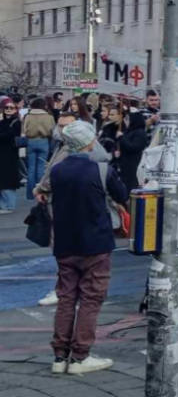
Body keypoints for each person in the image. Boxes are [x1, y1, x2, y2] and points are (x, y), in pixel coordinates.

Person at [37, 121, 127, 375]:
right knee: (90, 298)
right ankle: (80, 356)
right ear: (89, 143)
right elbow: (122, 196)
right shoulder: (101, 170)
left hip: (65, 242)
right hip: (96, 242)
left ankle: (59, 355)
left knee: (66, 298)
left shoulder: (57, 171)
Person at [23, 97, 55, 201]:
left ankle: (30, 195)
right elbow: (53, 131)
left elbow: (24, 130)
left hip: (30, 141)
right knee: (41, 169)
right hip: (43, 141)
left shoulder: (28, 116)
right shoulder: (48, 117)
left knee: (31, 169)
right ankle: (40, 192)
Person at [115, 111, 149, 192]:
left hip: (133, 164)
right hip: (125, 164)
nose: (125, 121)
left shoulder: (140, 133)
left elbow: (133, 147)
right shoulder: (128, 131)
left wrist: (121, 137)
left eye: (127, 119)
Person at [0, 98, 21, 213]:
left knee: (8, 179)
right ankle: (3, 205)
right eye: (6, 107)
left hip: (10, 154)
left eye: (11, 107)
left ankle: (9, 205)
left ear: (15, 110)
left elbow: (10, 135)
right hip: (2, 154)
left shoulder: (16, 122)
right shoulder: (2, 122)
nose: (8, 109)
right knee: (2, 179)